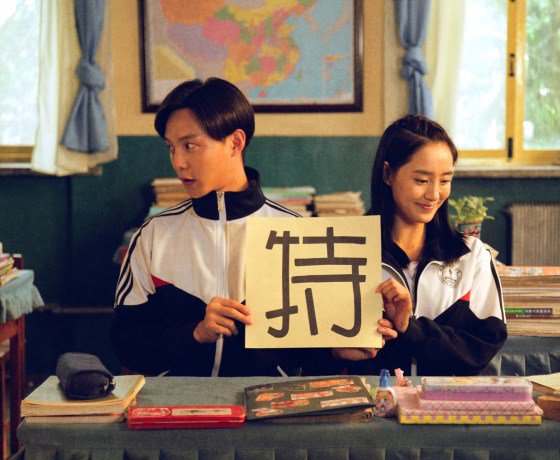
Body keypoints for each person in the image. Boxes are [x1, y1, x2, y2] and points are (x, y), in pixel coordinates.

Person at [111, 77, 395, 377]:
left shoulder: (294, 233)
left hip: (270, 403)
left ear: (235, 143)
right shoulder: (153, 236)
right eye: (171, 148)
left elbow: (308, 355)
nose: (178, 162)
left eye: (190, 146)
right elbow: (126, 343)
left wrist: (338, 352)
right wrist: (194, 333)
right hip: (180, 403)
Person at [352, 114, 507, 376]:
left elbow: (481, 348)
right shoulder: (347, 251)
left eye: (445, 180)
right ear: (388, 174)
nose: (434, 194)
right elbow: (313, 351)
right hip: (370, 399)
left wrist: (410, 328)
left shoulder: (471, 255)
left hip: (445, 401)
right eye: (422, 180)